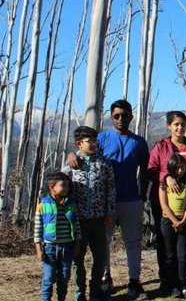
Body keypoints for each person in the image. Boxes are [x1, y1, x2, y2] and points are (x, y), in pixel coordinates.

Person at [68, 99, 149, 299]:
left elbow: (146, 170)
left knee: (133, 242)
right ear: (111, 117)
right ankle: (105, 279)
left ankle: (134, 281)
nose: (121, 119)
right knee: (103, 243)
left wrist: (142, 195)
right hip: (103, 203)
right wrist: (71, 154)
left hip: (131, 199)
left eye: (124, 115)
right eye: (116, 116)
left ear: (131, 116)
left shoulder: (139, 142)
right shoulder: (102, 138)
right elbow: (85, 153)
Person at [147, 111, 186, 294]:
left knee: (181, 247)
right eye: (176, 124)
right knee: (165, 244)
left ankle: (180, 281)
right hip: (163, 203)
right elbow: (151, 170)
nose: (180, 128)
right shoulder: (161, 147)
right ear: (169, 126)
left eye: (183, 124)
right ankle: (166, 280)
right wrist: (166, 177)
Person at [62, 126, 115, 301]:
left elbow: (110, 189)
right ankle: (80, 293)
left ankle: (96, 291)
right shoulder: (71, 165)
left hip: (99, 219)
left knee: (99, 257)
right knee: (78, 259)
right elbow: (60, 191)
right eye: (89, 141)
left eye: (95, 140)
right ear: (79, 143)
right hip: (78, 221)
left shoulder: (104, 163)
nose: (93, 144)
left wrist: (109, 212)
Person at [34, 172, 81, 301]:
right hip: (50, 248)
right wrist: (38, 249)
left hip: (68, 247)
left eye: (67, 185)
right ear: (51, 187)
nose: (66, 188)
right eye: (62, 185)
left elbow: (76, 226)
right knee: (49, 277)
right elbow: (37, 229)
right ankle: (46, 298)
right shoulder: (43, 205)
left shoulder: (71, 204)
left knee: (64, 277)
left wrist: (77, 244)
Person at [159, 154, 186, 298]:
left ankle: (182, 283)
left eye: (182, 167)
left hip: (183, 222)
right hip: (168, 222)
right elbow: (164, 205)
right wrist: (175, 221)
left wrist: (183, 221)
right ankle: (172, 284)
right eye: (177, 167)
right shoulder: (164, 184)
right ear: (171, 168)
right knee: (170, 255)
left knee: (182, 255)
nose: (180, 170)